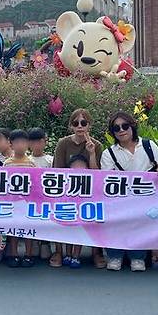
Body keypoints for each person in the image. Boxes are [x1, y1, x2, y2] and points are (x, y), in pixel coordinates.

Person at [100, 111, 158, 272]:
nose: (121, 130)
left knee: (141, 226)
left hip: (146, 198)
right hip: (120, 199)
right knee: (116, 224)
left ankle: (138, 257)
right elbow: (107, 179)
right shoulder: (108, 153)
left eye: (125, 126)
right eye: (116, 128)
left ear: (132, 126)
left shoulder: (148, 145)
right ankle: (114, 255)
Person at [50, 108, 106, 269]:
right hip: (66, 190)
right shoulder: (63, 143)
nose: (80, 126)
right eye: (76, 123)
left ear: (89, 126)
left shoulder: (97, 145)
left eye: (83, 123)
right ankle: (59, 251)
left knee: (97, 214)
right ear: (71, 126)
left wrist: (92, 153)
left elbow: (98, 175)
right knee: (58, 214)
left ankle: (97, 252)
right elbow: (57, 171)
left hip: (90, 192)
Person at [3, 129, 36, 267]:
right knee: (14, 229)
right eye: (17, 142)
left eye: (23, 142)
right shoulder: (7, 163)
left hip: (27, 202)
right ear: (11, 145)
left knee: (28, 228)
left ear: (28, 144)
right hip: (13, 202)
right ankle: (14, 254)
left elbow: (36, 182)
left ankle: (28, 254)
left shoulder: (31, 163)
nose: (20, 145)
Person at [28, 127, 53, 260]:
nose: (37, 145)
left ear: (45, 142)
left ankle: (45, 242)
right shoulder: (25, 160)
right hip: (29, 199)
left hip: (45, 198)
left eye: (40, 141)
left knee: (44, 220)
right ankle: (33, 242)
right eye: (33, 142)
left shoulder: (50, 160)